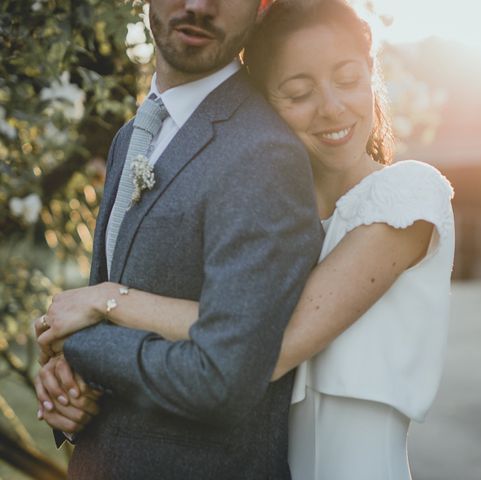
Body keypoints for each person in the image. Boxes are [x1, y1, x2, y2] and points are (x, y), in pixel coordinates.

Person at [36, 1, 455, 479]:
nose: (332, 107)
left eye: (348, 80)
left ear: (371, 73)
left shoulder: (406, 197)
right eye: (298, 92)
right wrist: (69, 375)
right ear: (268, 100)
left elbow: (260, 349)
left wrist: (102, 308)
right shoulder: (284, 199)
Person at [34, 0, 324, 478]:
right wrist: (66, 384)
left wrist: (78, 345)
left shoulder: (263, 153)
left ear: (262, 7)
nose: (197, 6)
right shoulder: (131, 136)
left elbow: (222, 380)